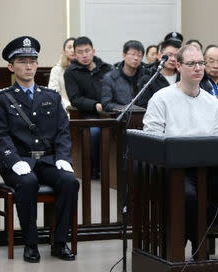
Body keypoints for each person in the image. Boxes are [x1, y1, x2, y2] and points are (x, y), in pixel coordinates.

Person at [0, 36, 79, 263]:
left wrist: (63, 157)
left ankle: (59, 242)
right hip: (18, 162)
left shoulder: (51, 96)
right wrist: (13, 159)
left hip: (47, 161)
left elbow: (62, 131)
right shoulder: (1, 98)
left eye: (32, 61)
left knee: (70, 181)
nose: (28, 66)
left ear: (37, 64)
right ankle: (30, 243)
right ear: (11, 66)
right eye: (22, 61)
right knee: (28, 183)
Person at [143, 45, 218, 254]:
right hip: (172, 168)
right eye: (191, 64)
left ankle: (189, 236)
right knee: (188, 196)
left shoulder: (213, 103)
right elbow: (151, 139)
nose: (198, 68)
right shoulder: (162, 98)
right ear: (178, 66)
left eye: (201, 63)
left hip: (206, 167)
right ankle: (199, 243)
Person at [64, 36, 112, 179]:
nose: (84, 55)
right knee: (95, 132)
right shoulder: (71, 73)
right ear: (74, 54)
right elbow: (75, 98)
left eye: (87, 51)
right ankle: (97, 168)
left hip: (110, 113)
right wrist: (94, 105)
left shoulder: (107, 68)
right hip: (88, 116)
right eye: (80, 52)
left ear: (93, 51)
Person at [101, 40, 146, 112]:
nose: (136, 58)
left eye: (139, 55)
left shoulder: (145, 77)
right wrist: (125, 109)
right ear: (124, 55)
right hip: (121, 118)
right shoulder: (110, 77)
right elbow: (106, 104)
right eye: (133, 54)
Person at [137, 39, 181, 107]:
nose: (173, 59)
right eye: (169, 55)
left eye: (176, 56)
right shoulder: (148, 79)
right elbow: (143, 106)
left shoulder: (184, 78)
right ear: (160, 56)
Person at [48, 37, 75, 112]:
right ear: (64, 51)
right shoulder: (56, 70)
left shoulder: (84, 70)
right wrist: (68, 106)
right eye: (69, 47)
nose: (72, 50)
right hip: (63, 109)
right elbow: (53, 93)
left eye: (75, 47)